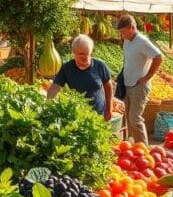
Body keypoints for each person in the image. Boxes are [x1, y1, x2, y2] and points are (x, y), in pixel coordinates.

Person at [116, 14, 163, 144]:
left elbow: (159, 57)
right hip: (127, 84)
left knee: (135, 118)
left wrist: (147, 77)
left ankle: (144, 148)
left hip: (139, 86)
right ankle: (134, 146)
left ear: (132, 28)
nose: (122, 35)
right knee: (129, 119)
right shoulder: (127, 41)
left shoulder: (142, 41)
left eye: (123, 32)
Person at [47, 34, 113, 120]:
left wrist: (109, 109)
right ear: (73, 52)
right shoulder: (67, 68)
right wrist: (48, 103)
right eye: (82, 54)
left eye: (88, 53)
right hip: (77, 114)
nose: (86, 57)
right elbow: (55, 86)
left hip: (98, 114)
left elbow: (108, 87)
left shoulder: (100, 65)